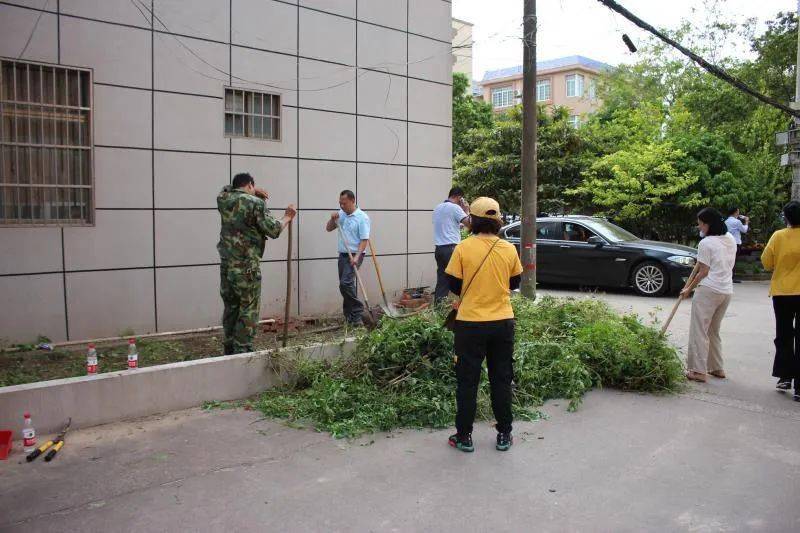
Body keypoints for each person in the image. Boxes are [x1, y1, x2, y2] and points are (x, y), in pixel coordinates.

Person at [444, 197, 523, 453]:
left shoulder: (463, 248)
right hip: (502, 322)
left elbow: (454, 285)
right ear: (497, 221)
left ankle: (464, 436)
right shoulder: (509, 249)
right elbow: (514, 283)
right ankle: (504, 434)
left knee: (467, 381)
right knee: (501, 378)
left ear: (473, 221)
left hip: (470, 324)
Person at [217, 173, 296, 355]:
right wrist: (287, 217)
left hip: (227, 266)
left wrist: (253, 191)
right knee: (248, 308)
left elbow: (226, 189)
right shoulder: (255, 203)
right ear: (250, 185)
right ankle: (243, 350)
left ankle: (229, 347)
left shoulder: (223, 199)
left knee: (231, 307)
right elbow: (274, 229)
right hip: (246, 267)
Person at [682, 207, 737, 383]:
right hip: (726, 290)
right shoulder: (730, 239)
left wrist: (688, 289)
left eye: (700, 225)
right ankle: (716, 367)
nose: (699, 228)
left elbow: (703, 272)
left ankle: (698, 371)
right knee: (714, 330)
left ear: (708, 224)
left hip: (708, 290)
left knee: (699, 330)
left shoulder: (706, 243)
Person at [760, 201, 800, 401]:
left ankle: (785, 376)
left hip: (783, 292)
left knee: (784, 335)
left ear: (787, 217)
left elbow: (767, 262)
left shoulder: (779, 236)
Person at [325, 190, 371, 327]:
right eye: (340, 203)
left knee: (346, 283)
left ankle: (357, 312)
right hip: (343, 254)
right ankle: (349, 317)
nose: (341, 206)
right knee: (344, 286)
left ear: (352, 201)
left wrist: (357, 257)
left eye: (344, 203)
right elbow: (328, 228)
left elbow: (364, 240)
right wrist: (332, 219)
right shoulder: (341, 214)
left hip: (356, 254)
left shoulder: (362, 218)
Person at [432, 187, 470, 303]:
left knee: (442, 280)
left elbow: (448, 226)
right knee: (462, 277)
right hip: (451, 249)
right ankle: (465, 306)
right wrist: (466, 210)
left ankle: (439, 308)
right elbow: (470, 224)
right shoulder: (455, 208)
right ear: (459, 197)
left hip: (439, 249)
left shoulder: (437, 208)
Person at [725, 207, 749, 283]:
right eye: (738, 211)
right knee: (733, 260)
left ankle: (727, 277)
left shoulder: (726, 221)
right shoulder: (737, 222)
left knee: (727, 260)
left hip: (727, 242)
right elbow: (744, 230)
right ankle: (732, 278)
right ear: (735, 212)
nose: (739, 213)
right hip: (735, 243)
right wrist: (747, 222)